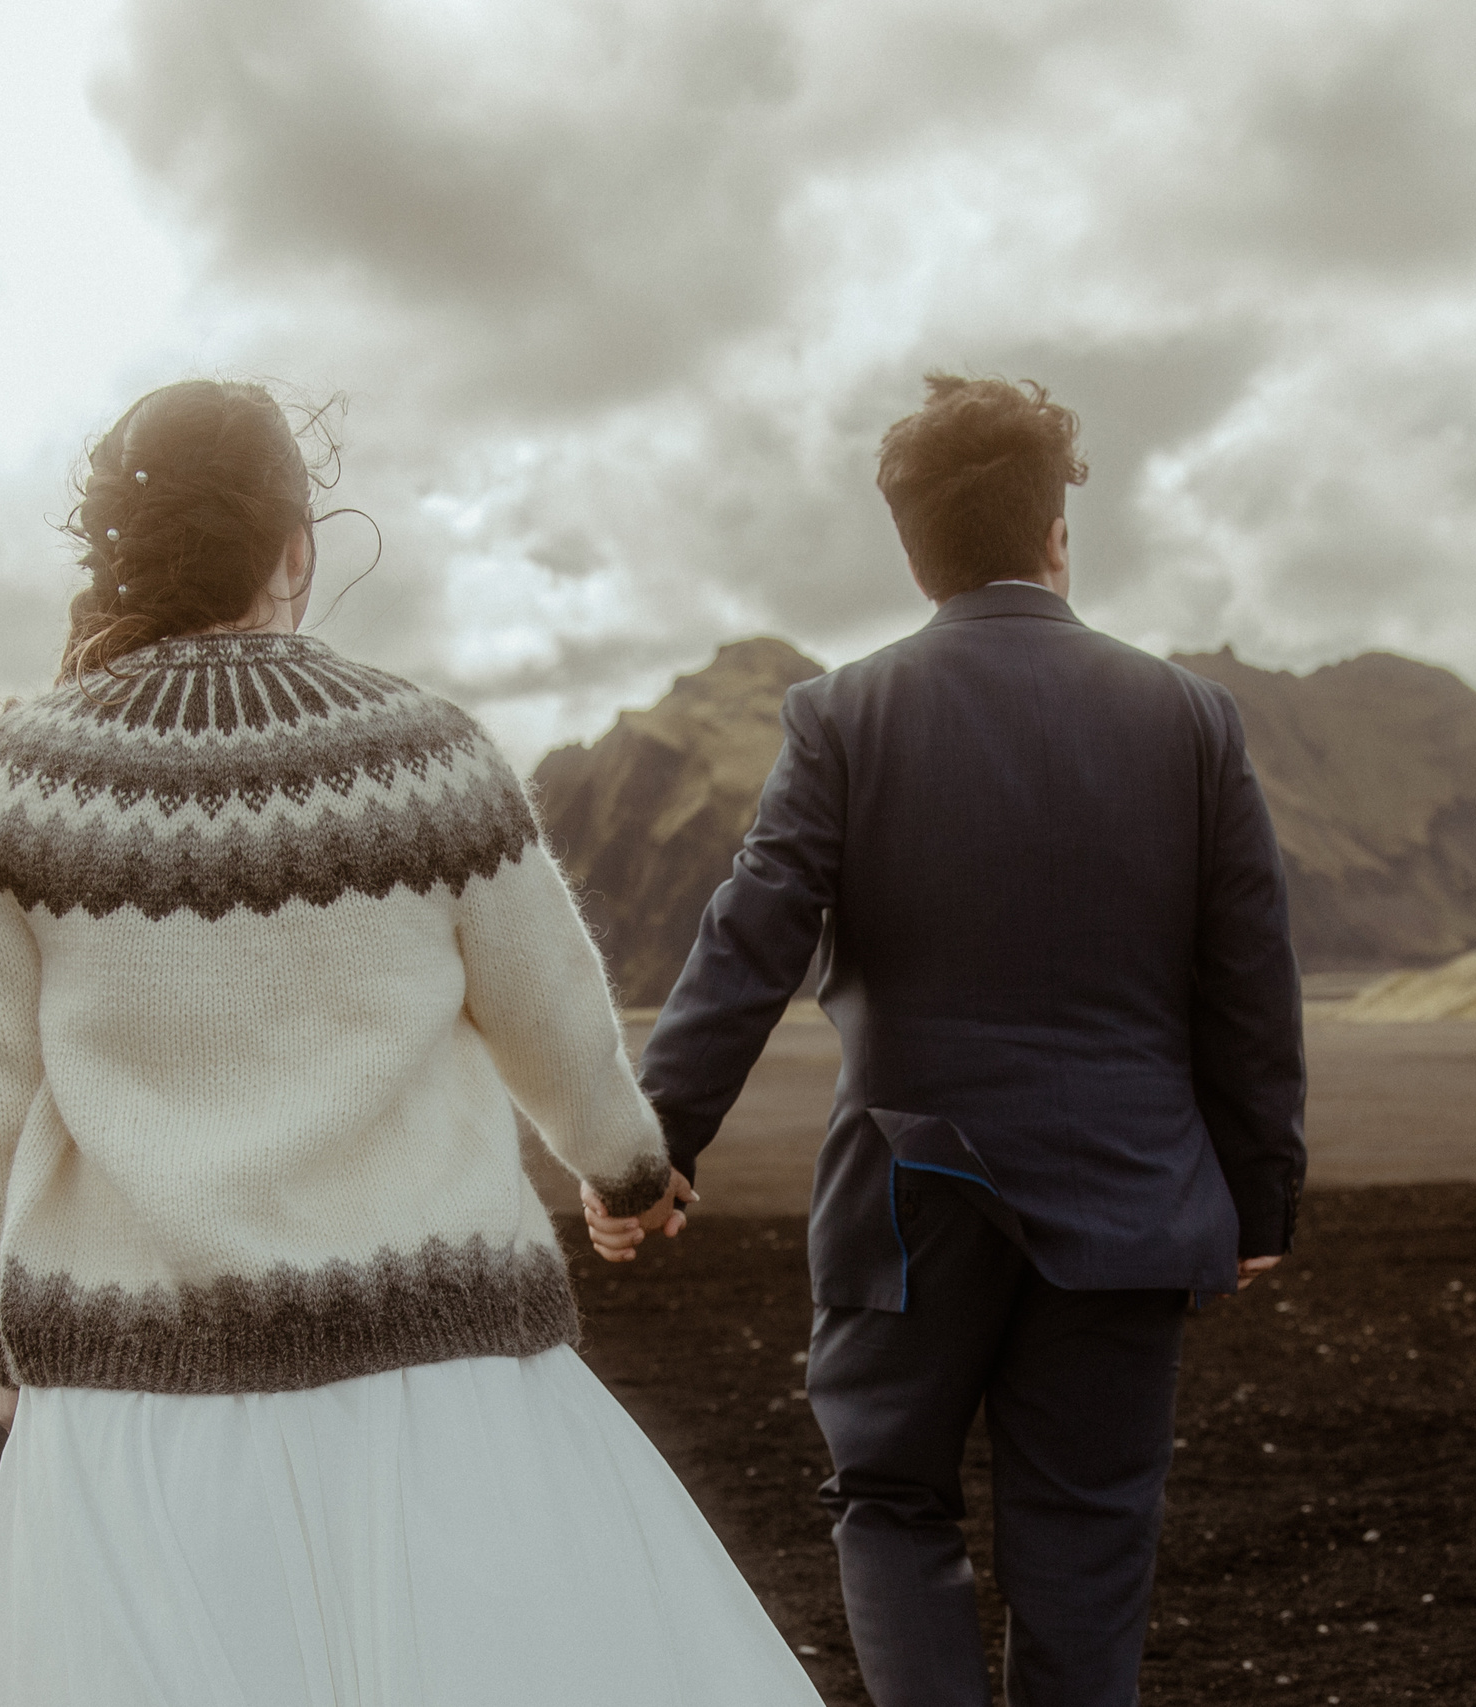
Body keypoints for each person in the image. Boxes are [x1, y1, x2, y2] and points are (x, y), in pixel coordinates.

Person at [0, 378, 820, 1706]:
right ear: (298, 548)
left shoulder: (8, 794)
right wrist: (625, 1172)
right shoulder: (425, 756)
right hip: (436, 1383)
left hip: (131, 1406)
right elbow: (556, 1024)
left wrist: (0, 1336)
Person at [586, 374, 1307, 1707]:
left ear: (912, 552)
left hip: (912, 1200)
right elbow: (1247, 975)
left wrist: (651, 1148)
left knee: (890, 1499)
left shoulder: (843, 717)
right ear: (1057, 535)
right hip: (1133, 1195)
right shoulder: (1193, 723)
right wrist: (1258, 1190)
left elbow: (751, 936)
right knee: (1088, 1539)